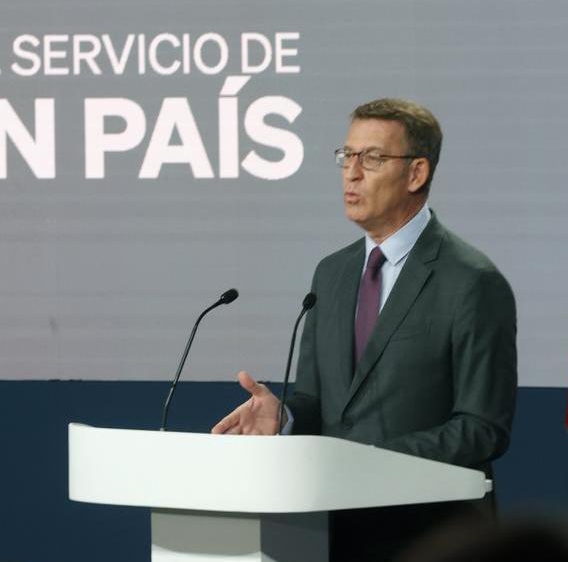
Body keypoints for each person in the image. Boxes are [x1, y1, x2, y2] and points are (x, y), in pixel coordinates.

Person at [212, 98, 517, 561]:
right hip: (336, 532)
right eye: (346, 156)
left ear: (416, 174)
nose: (351, 173)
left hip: (434, 538)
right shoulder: (331, 274)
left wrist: (367, 458)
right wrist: (285, 418)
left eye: (372, 158)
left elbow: (482, 428)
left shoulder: (471, 281)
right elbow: (319, 401)